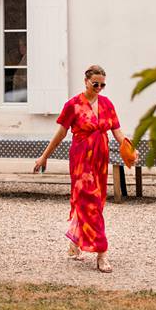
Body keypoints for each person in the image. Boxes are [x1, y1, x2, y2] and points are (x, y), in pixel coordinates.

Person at [34, 64, 124, 272]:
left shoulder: (107, 104)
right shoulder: (73, 105)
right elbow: (61, 134)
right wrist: (44, 156)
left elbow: (117, 131)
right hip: (81, 160)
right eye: (95, 84)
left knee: (96, 202)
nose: (99, 88)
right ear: (85, 81)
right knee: (89, 201)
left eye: (102, 84)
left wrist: (128, 148)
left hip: (101, 160)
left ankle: (75, 241)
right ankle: (102, 253)